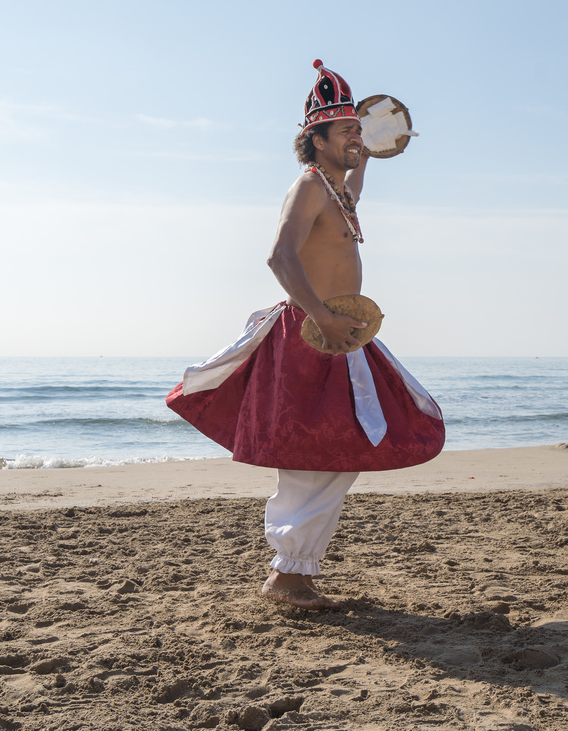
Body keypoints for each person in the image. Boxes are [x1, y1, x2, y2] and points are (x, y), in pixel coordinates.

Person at [165, 60, 445, 609]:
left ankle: (293, 571)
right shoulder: (310, 187)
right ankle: (288, 575)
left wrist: (379, 136)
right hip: (309, 332)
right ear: (315, 140)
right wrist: (319, 314)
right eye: (345, 132)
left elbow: (364, 168)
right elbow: (279, 256)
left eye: (358, 131)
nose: (356, 140)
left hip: (340, 331)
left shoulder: (340, 192)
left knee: (341, 450)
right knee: (315, 454)